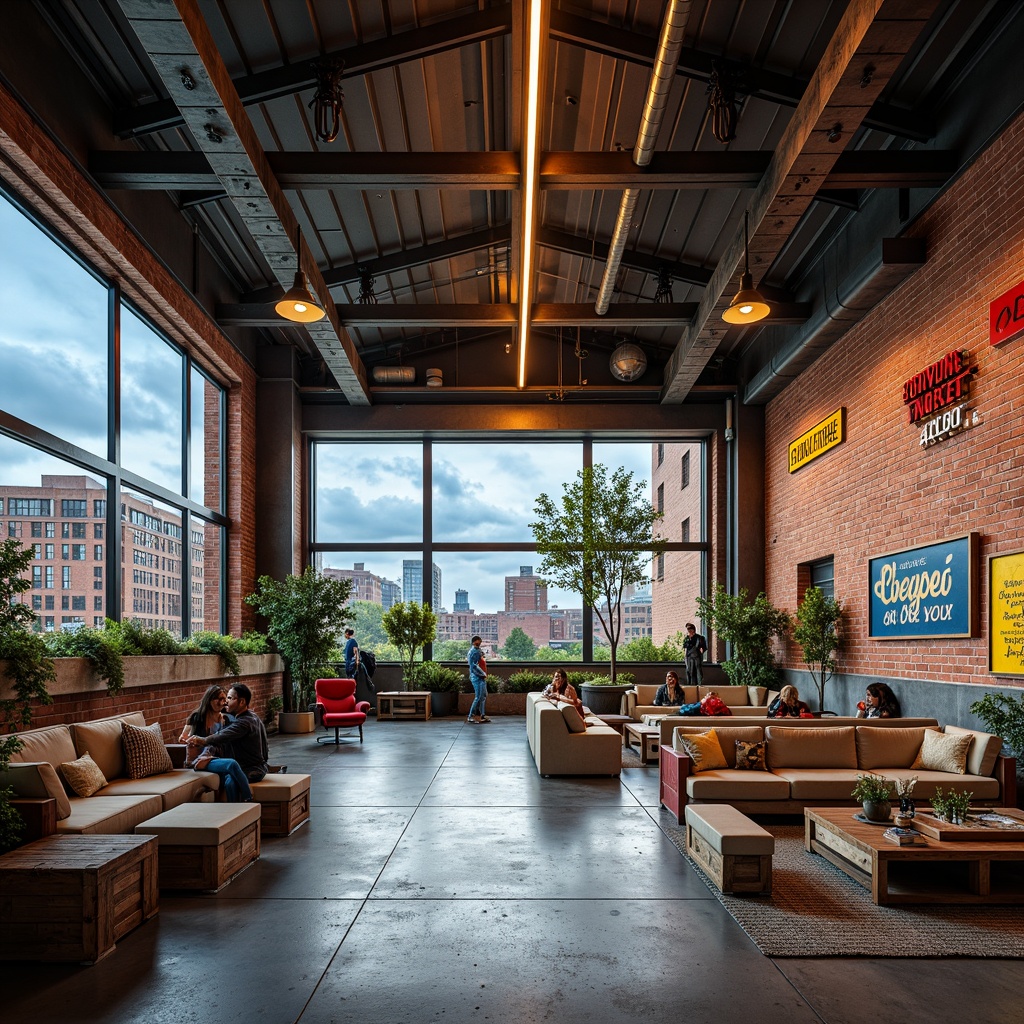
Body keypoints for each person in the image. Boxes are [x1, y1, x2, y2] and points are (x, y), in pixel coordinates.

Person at [186, 683, 269, 802]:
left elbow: (221, 737)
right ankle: (234, 811)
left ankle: (247, 800)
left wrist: (202, 740)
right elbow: (218, 740)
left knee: (231, 766)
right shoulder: (245, 717)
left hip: (252, 769)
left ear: (241, 702)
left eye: (229, 698)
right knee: (230, 782)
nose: (225, 702)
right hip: (243, 766)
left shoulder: (243, 722)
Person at [178, 684, 228, 769]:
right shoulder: (197, 716)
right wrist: (186, 740)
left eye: (223, 699)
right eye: (217, 699)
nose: (220, 702)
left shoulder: (225, 718)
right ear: (209, 700)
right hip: (198, 754)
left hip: (216, 755)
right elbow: (183, 737)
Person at [467, 635, 490, 724]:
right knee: (478, 697)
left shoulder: (477, 651)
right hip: (477, 677)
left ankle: (482, 715)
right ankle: (471, 716)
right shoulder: (473, 652)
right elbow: (473, 666)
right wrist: (482, 674)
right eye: (477, 642)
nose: (479, 643)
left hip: (480, 677)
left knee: (483, 696)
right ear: (474, 642)